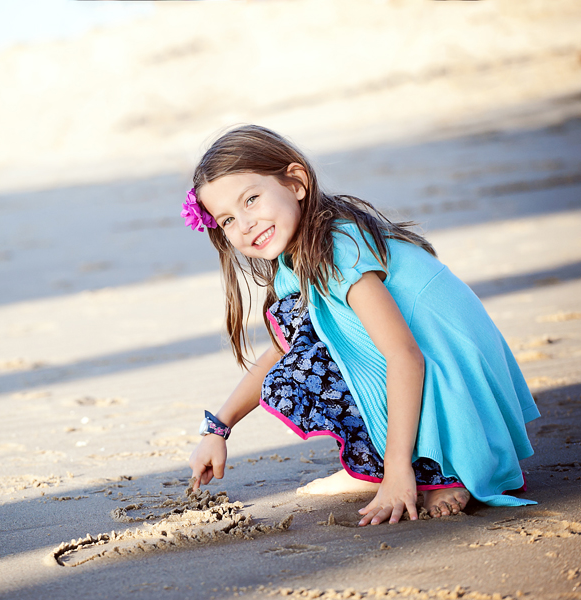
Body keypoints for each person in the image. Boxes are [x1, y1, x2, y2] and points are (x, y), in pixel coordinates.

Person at [185, 125, 540, 526]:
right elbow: (282, 350)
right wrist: (218, 428)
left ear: (296, 182)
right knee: (300, 343)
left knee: (314, 360)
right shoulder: (296, 254)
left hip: (455, 373)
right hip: (425, 358)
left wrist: (397, 473)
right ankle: (380, 467)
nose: (245, 224)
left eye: (252, 199)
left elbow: (405, 357)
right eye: (228, 219)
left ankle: (442, 470)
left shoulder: (337, 248)